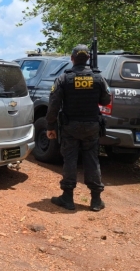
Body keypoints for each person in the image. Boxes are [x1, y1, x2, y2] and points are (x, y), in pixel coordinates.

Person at [45, 44, 111, 211]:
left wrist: (51, 125)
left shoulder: (64, 78)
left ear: (72, 59)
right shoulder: (98, 77)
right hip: (91, 126)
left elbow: (53, 104)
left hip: (70, 126)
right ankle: (96, 200)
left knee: (70, 159)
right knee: (92, 160)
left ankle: (67, 198)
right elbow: (105, 100)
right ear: (88, 58)